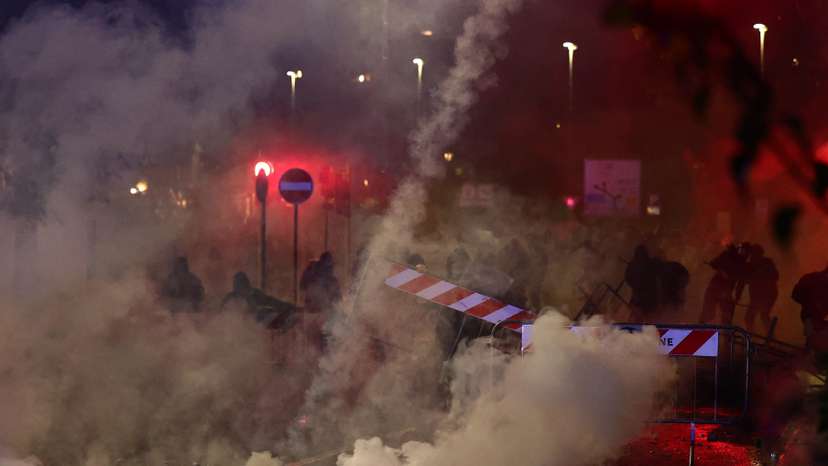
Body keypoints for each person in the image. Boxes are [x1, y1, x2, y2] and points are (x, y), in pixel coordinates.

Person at [699, 243, 750, 325]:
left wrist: (737, 297)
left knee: (727, 317)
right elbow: (714, 263)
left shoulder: (743, 265)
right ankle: (699, 332)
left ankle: (726, 335)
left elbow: (741, 283)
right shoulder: (727, 255)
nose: (743, 253)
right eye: (742, 250)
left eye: (745, 251)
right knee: (708, 314)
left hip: (726, 292)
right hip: (714, 288)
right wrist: (720, 270)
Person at [221, 271, 294, 327]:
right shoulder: (230, 299)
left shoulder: (254, 294)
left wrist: (288, 306)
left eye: (244, 284)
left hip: (257, 325)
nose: (242, 288)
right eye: (240, 285)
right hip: (242, 330)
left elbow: (270, 301)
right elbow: (223, 315)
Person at [792, 265, 828, 351]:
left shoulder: (811, 278)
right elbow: (796, 294)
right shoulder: (812, 279)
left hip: (812, 316)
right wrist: (810, 304)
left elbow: (795, 295)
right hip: (809, 316)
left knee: (812, 338)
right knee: (811, 338)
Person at [745, 244, 779, 333]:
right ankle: (754, 337)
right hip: (760, 295)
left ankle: (754, 338)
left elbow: (775, 276)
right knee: (755, 316)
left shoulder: (766, 263)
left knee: (760, 316)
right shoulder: (750, 265)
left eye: (753, 253)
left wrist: (760, 277)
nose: (751, 256)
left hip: (767, 294)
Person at [624, 245, 661, 321]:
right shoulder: (650, 262)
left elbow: (628, 279)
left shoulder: (632, 266)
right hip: (650, 294)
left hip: (641, 296)